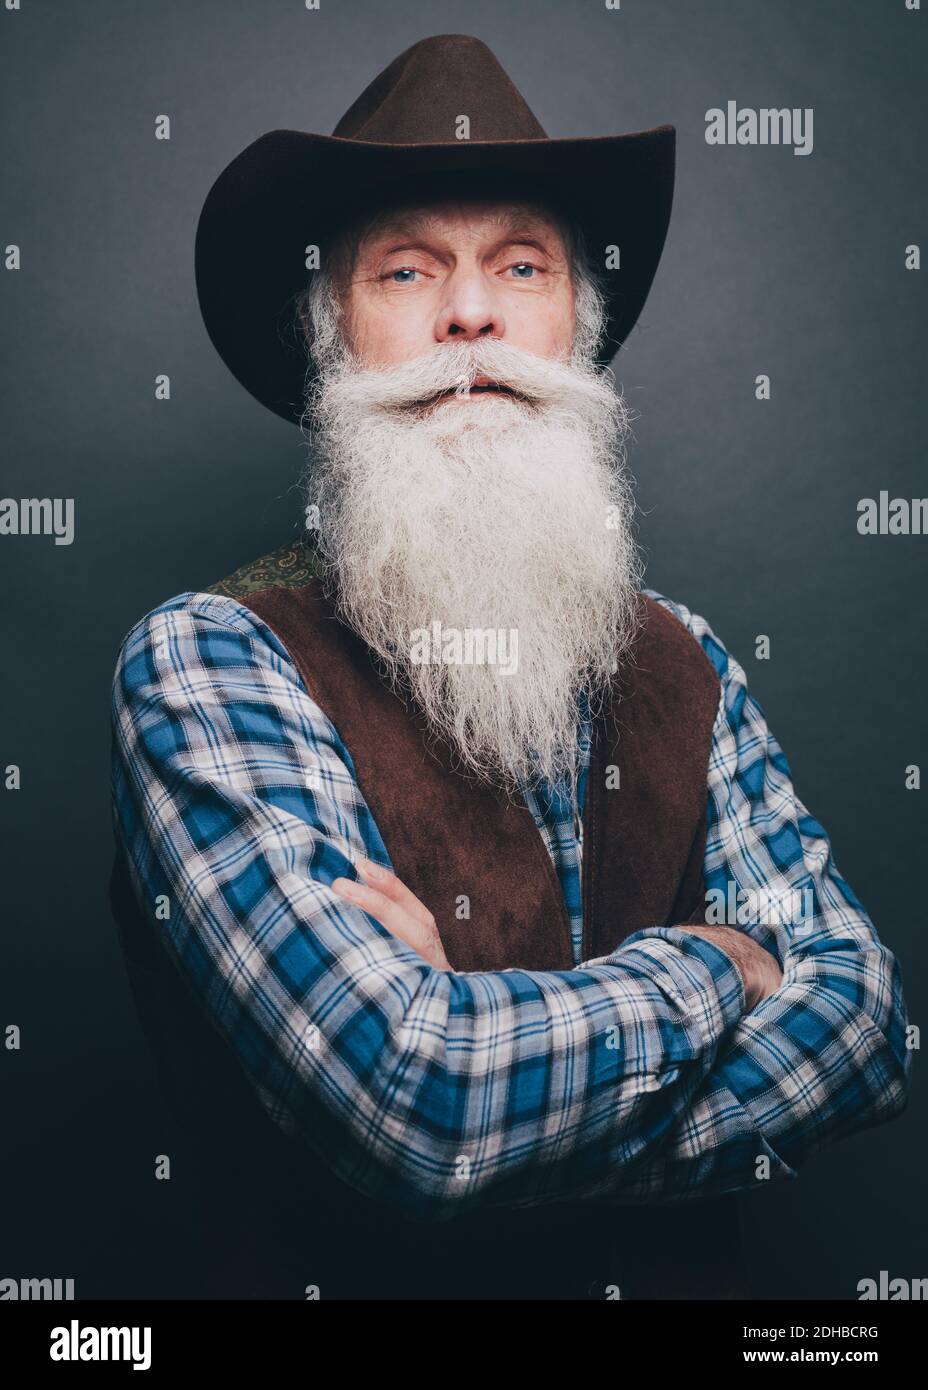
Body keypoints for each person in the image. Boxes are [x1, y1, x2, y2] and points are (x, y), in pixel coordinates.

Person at [109, 34, 911, 1300]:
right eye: (408, 267)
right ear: (334, 336)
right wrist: (732, 966)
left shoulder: (685, 656)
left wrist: (497, 1074)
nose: (469, 312)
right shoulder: (210, 660)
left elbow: (866, 1034)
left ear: (573, 329)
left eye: (520, 265)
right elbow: (413, 1104)